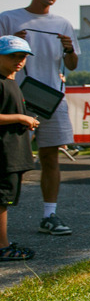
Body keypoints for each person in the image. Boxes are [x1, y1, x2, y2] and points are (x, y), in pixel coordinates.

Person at [0, 0, 80, 236]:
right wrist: (14, 42)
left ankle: (49, 215)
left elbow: (72, 64)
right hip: (16, 97)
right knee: (7, 160)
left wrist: (69, 49)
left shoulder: (63, 24)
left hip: (52, 98)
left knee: (50, 156)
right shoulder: (9, 19)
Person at [0, 36, 41, 261]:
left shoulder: (11, 81)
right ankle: (2, 246)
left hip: (13, 152)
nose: (18, 61)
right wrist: (20, 118)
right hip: (3, 153)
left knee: (5, 198)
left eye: (22, 57)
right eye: (11, 56)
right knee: (1, 200)